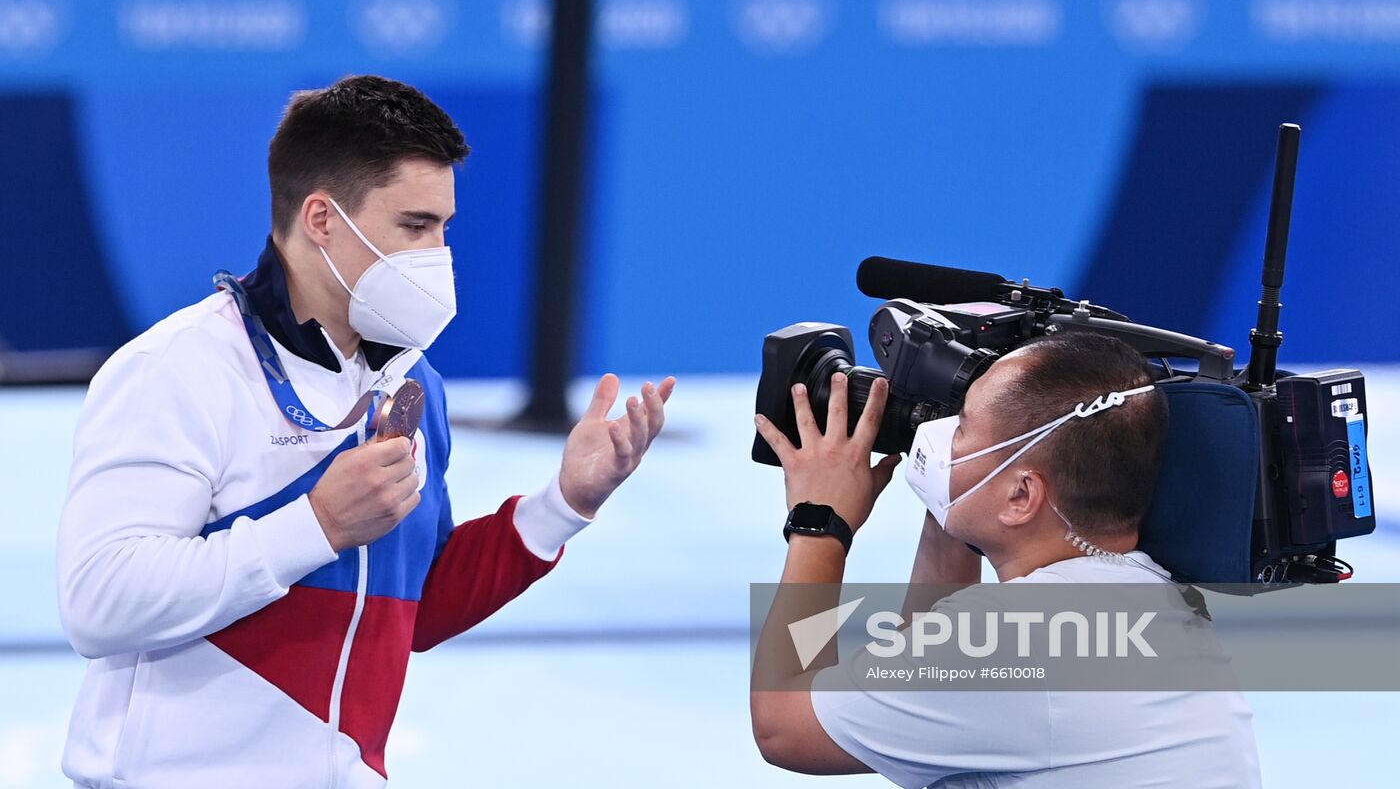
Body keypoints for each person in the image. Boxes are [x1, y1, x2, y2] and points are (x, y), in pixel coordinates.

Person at [56, 75, 675, 788]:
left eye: (444, 227)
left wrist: (563, 503)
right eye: (414, 226)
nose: (438, 253)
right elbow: (98, 603)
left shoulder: (412, 386)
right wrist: (314, 525)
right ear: (322, 218)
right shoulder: (177, 370)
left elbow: (411, 609)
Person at [750, 331, 1261, 788]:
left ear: (1021, 496)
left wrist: (820, 519)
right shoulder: (1156, 599)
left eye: (963, 427)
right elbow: (917, 674)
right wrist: (946, 500)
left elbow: (783, 725)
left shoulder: (1017, 637)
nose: (942, 436)